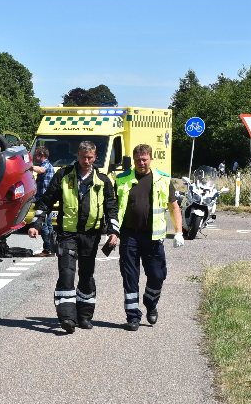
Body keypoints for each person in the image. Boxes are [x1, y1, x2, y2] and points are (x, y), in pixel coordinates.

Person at [28, 141, 119, 333]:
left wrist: (114, 231)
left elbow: (111, 208)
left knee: (86, 276)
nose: (86, 161)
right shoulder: (63, 175)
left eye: (90, 158)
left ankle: (84, 316)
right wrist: (36, 224)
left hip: (91, 235)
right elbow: (46, 201)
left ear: (95, 158)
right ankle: (67, 317)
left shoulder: (103, 180)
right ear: (77, 155)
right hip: (67, 234)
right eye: (83, 157)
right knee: (67, 273)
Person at [115, 144, 184, 331]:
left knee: (157, 275)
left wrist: (178, 231)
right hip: (129, 235)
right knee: (130, 276)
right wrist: (112, 232)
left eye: (144, 159)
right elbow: (114, 207)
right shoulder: (122, 179)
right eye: (137, 160)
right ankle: (132, 316)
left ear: (151, 159)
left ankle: (151, 302)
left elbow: (174, 207)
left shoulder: (162, 179)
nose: (141, 163)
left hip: (153, 236)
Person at [31, 146, 55, 256]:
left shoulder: (46, 164)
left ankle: (48, 249)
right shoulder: (46, 164)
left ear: (42, 155)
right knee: (49, 225)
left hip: (44, 200)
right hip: (46, 199)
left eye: (36, 155)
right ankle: (51, 248)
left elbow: (41, 170)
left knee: (44, 224)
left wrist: (29, 167)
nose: (35, 157)